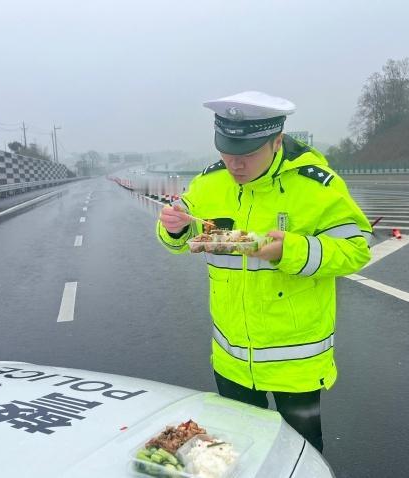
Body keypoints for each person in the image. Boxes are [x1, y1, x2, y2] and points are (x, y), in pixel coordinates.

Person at [156, 91, 372, 452]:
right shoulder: (209, 183)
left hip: (296, 363)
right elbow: (180, 236)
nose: (234, 165)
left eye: (247, 154)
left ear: (277, 141)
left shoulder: (316, 186)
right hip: (231, 360)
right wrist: (173, 227)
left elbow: (356, 249)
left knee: (301, 455)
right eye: (227, 152)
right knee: (240, 452)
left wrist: (292, 251)